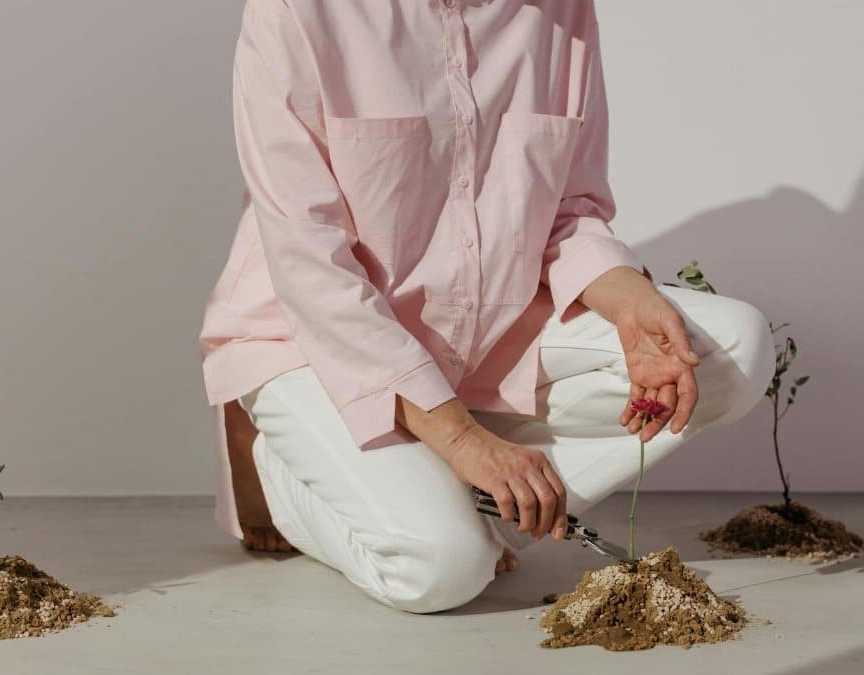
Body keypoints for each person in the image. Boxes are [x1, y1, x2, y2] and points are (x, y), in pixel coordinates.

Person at [198, 0, 775, 614]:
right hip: (309, 341)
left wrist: (630, 299)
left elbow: (570, 210)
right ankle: (279, 466)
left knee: (732, 350)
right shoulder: (298, 10)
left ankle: (476, 506)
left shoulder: (563, 12)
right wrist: (460, 438)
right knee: (441, 569)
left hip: (488, 333)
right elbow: (310, 263)